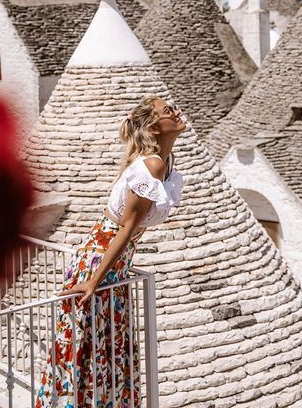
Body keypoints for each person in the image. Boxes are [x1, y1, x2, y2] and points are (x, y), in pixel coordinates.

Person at [36, 96, 185, 408]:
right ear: (154, 128)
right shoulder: (152, 166)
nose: (176, 111)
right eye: (167, 110)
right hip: (100, 260)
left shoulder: (166, 164)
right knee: (85, 346)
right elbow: (126, 229)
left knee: (103, 345)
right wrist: (93, 281)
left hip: (114, 263)